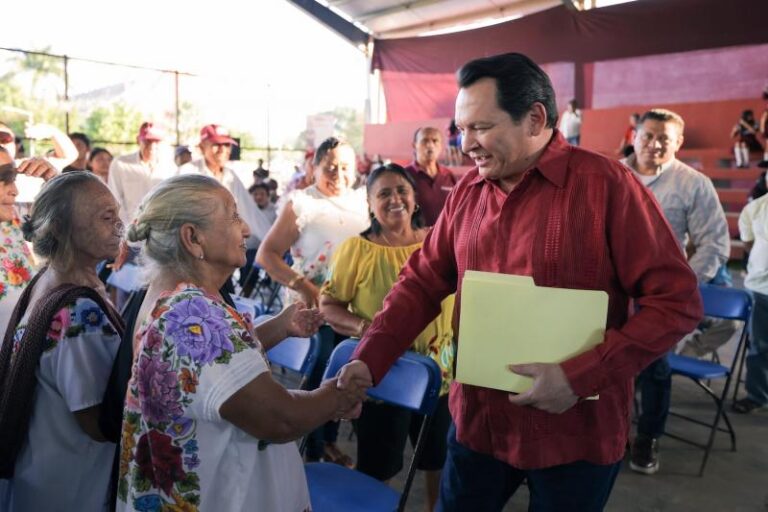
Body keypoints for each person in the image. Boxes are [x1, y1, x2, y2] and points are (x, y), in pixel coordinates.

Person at [337, 52, 702, 511]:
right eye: (461, 128)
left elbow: (677, 303)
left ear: (534, 119)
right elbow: (422, 282)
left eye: (481, 128)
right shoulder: (467, 195)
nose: (466, 144)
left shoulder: (606, 186)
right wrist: (368, 358)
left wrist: (580, 375)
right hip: (479, 426)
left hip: (576, 433)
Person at [115, 174, 363, 512]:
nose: (245, 228)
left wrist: (277, 327)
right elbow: (281, 418)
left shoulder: (168, 298)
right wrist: (339, 394)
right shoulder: (191, 315)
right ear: (193, 238)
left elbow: (204, 372)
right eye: (232, 215)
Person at [320, 164, 454, 511]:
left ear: (414, 198)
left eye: (402, 191)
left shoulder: (438, 242)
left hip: (441, 373)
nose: (395, 199)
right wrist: (369, 332)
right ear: (369, 203)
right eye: (384, 193)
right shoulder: (357, 250)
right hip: (384, 376)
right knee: (379, 466)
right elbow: (329, 305)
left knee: (437, 459)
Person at [0, 171, 124, 511]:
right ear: (58, 227)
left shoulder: (46, 281)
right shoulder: (79, 312)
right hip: (73, 487)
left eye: (117, 214)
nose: (119, 225)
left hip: (37, 477)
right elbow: (97, 422)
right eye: (106, 216)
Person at [621, 109, 733, 474]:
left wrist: (676, 291)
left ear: (678, 143)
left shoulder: (693, 184)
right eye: (648, 135)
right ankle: (611, 431)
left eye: (663, 139)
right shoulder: (613, 176)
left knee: (654, 366)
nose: (653, 144)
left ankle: (647, 437)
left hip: (657, 297)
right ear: (634, 135)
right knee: (602, 362)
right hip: (609, 292)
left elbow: (714, 245)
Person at [256, 136, 368, 466]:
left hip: (354, 310)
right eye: (330, 166)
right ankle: (313, 449)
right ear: (314, 168)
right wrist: (303, 285)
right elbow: (266, 255)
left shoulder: (363, 203)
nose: (337, 173)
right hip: (314, 310)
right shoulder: (303, 203)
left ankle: (329, 442)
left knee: (348, 374)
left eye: (345, 166)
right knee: (321, 376)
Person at [180, 125, 275, 274]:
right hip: (191, 252)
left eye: (226, 145)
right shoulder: (188, 172)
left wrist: (273, 242)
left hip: (220, 254)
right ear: (202, 146)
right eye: (216, 145)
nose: (223, 150)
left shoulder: (230, 176)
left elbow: (250, 211)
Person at [0, 138, 61, 336]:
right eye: (4, 178)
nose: (14, 190)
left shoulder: (16, 218)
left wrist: (54, 182)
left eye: (13, 178)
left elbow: (73, 224)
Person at [732, 190, 768, 413]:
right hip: (760, 289)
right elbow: (748, 244)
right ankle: (757, 395)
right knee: (759, 346)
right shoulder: (755, 208)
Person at [108, 122, 177, 226]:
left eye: (157, 141)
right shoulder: (120, 164)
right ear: (138, 140)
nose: (152, 146)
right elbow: (115, 200)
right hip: (131, 232)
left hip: (162, 230)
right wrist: (125, 233)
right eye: (147, 141)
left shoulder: (170, 167)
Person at [404, 127, 458, 226]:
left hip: (445, 238)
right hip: (417, 239)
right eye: (425, 141)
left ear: (441, 146)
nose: (430, 145)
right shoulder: (404, 175)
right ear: (414, 145)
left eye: (435, 141)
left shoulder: (448, 175)